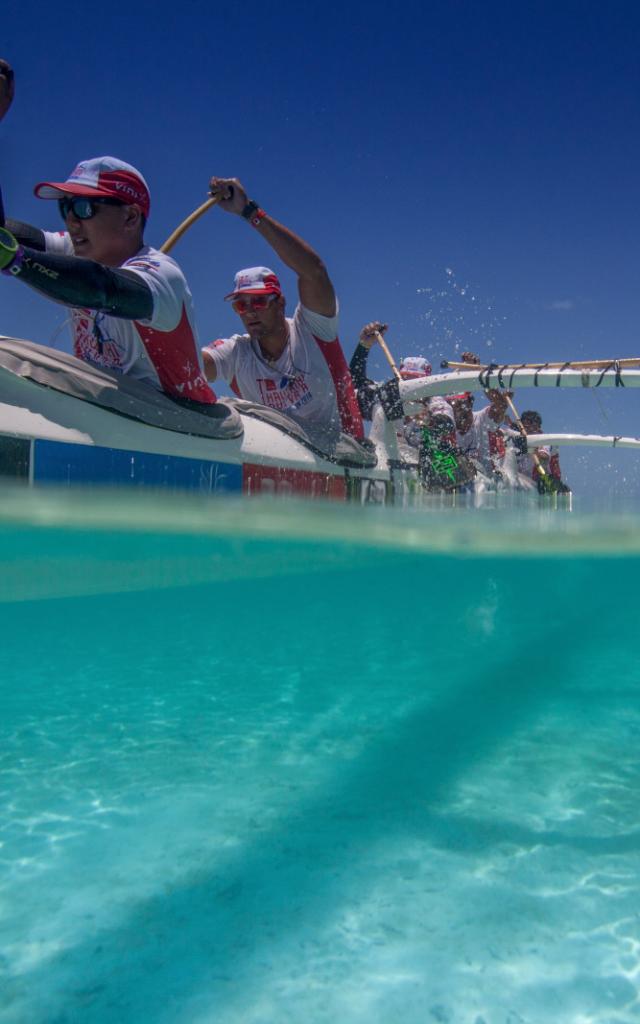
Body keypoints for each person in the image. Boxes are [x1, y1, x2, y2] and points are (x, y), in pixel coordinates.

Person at [0, 66, 213, 405]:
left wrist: (15, 259)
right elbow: (6, 235)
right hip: (113, 412)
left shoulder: (161, 276)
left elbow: (101, 288)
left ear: (130, 217)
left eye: (84, 208)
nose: (72, 221)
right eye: (65, 208)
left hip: (180, 423)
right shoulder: (77, 251)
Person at [201, 176, 363, 451]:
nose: (249, 312)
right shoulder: (237, 352)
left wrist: (248, 212)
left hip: (345, 452)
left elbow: (314, 271)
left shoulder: (312, 330)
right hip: (280, 455)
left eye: (259, 303)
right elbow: (190, 365)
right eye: (242, 305)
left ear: (281, 303)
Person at [349, 323, 475, 490]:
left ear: (427, 383)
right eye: (407, 379)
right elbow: (354, 383)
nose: (411, 387)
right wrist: (364, 346)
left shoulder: (436, 402)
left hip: (426, 462)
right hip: (390, 459)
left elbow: (446, 423)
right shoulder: (388, 396)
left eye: (417, 382)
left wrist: (428, 423)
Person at [512, 409, 569, 492]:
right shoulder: (518, 439)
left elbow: (544, 458)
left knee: (543, 484)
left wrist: (530, 449)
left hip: (544, 481)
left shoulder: (544, 440)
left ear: (537, 427)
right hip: (524, 480)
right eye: (525, 426)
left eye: (532, 426)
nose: (528, 430)